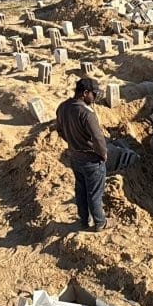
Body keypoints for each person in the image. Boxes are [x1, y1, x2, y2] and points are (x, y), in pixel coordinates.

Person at [55, 78, 111, 232]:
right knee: (94, 194)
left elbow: (59, 130)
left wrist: (72, 142)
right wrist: (103, 154)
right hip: (92, 160)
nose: (94, 98)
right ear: (85, 93)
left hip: (75, 158)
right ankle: (100, 222)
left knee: (80, 191)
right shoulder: (86, 113)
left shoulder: (63, 107)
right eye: (93, 94)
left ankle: (84, 221)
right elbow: (98, 137)